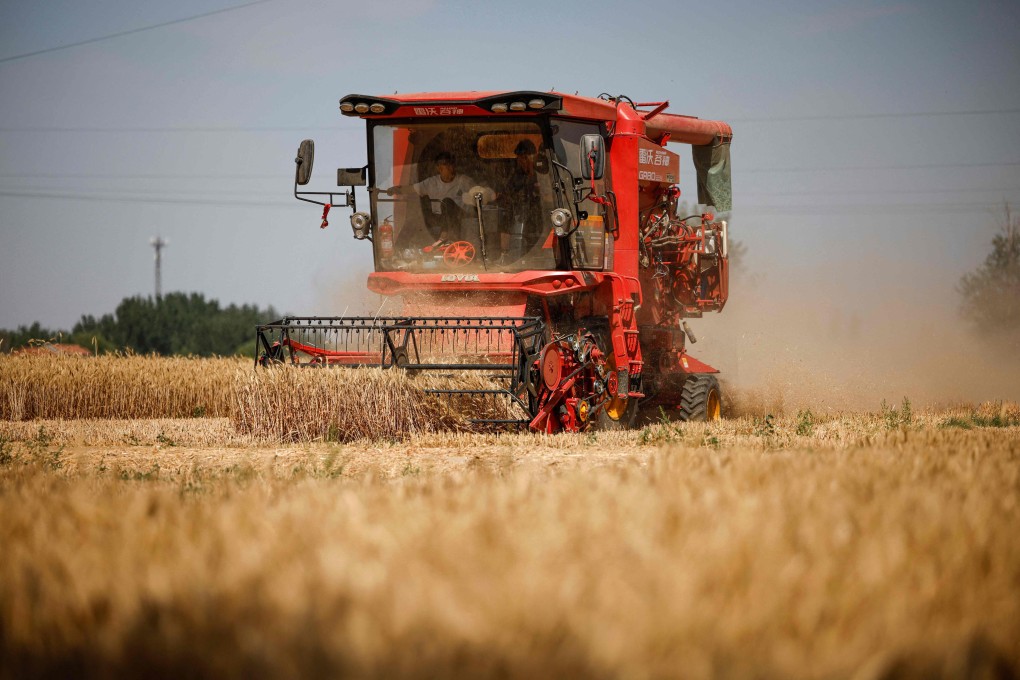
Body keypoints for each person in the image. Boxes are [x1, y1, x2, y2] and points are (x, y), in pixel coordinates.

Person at [387, 152, 475, 243]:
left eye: (451, 164)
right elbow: (412, 188)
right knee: (413, 219)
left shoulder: (464, 181)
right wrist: (395, 190)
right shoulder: (431, 182)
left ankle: (445, 237)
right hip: (438, 218)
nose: (450, 167)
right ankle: (398, 250)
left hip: (458, 218)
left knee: (447, 202)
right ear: (439, 168)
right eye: (446, 165)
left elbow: (478, 193)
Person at [498, 139, 543, 260]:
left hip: (539, 213)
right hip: (518, 211)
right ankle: (504, 254)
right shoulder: (516, 175)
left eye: (525, 158)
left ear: (532, 157)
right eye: (520, 158)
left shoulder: (542, 174)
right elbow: (508, 193)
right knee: (505, 215)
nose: (522, 161)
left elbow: (545, 196)